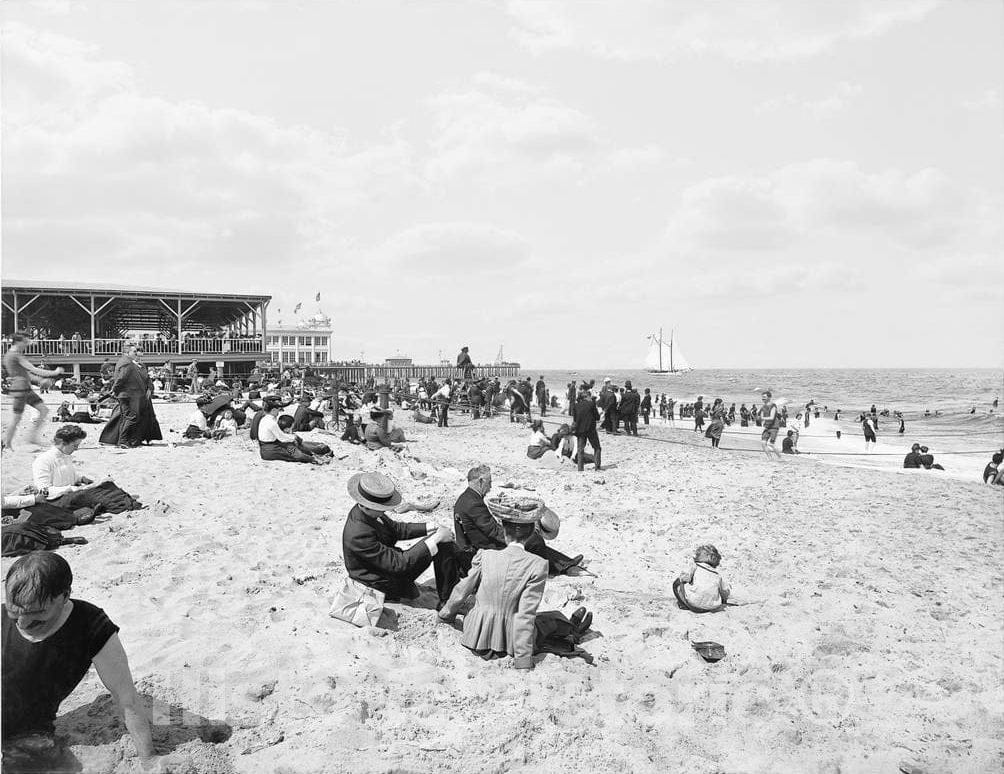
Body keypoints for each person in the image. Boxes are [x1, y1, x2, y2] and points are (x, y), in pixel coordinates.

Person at [2, 553, 159, 769]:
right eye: (13, 611)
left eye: (36, 613)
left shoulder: (90, 627)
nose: (23, 622)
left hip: (29, 734)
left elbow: (126, 698)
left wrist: (149, 759)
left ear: (64, 596)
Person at [341, 472, 459, 606]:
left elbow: (397, 529)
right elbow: (399, 564)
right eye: (382, 508)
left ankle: (449, 596)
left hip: (387, 568)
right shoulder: (358, 533)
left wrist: (432, 527)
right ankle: (448, 604)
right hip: (379, 584)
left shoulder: (368, 514)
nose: (385, 511)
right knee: (438, 542)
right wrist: (436, 538)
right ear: (368, 506)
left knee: (441, 541)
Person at [453, 465, 582, 577]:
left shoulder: (466, 498)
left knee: (529, 537)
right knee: (534, 540)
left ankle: (564, 564)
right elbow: (493, 531)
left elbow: (485, 526)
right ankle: (555, 569)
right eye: (489, 482)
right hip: (486, 548)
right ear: (481, 481)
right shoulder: (474, 503)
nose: (491, 486)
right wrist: (516, 538)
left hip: (477, 544)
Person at [2, 333, 64, 450]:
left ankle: (32, 437)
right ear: (18, 341)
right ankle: (7, 443)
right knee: (16, 418)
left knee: (43, 410)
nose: (26, 344)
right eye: (25, 342)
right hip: (20, 389)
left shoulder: (10, 355)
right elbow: (33, 369)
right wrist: (54, 372)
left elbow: (25, 374)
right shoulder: (15, 355)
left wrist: (40, 380)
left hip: (25, 388)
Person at [98, 343, 163, 448]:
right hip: (130, 395)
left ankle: (134, 440)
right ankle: (121, 440)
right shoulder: (128, 364)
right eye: (136, 354)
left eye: (139, 355)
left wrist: (150, 389)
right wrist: (114, 390)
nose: (138, 357)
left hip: (140, 396)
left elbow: (147, 379)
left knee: (140, 418)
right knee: (127, 417)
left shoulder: (141, 366)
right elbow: (121, 378)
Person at [256, 397, 328, 464]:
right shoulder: (271, 422)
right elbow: (282, 438)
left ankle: (312, 454)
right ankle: (312, 459)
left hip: (268, 447)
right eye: (278, 410)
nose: (279, 412)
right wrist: (294, 437)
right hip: (271, 449)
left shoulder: (265, 419)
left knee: (294, 447)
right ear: (273, 410)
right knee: (295, 453)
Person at [672, 544, 731, 613]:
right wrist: (724, 600)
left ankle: (683, 605)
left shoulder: (695, 566)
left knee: (677, 583)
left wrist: (683, 580)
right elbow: (725, 591)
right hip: (710, 607)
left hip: (693, 604)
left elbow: (685, 577)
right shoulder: (717, 575)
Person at [571, 384, 602, 472]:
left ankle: (580, 469)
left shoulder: (576, 406)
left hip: (580, 430)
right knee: (597, 447)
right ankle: (597, 467)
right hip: (591, 429)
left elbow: (575, 419)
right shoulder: (591, 404)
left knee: (580, 449)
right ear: (587, 397)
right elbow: (597, 417)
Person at [759, 391, 781, 460]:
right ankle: (770, 458)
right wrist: (759, 419)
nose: (763, 398)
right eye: (762, 397)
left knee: (771, 444)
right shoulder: (763, 407)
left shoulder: (773, 406)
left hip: (774, 427)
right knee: (763, 443)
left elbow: (771, 417)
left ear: (769, 398)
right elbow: (761, 417)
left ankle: (780, 457)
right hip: (767, 427)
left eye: (764, 397)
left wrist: (762, 418)